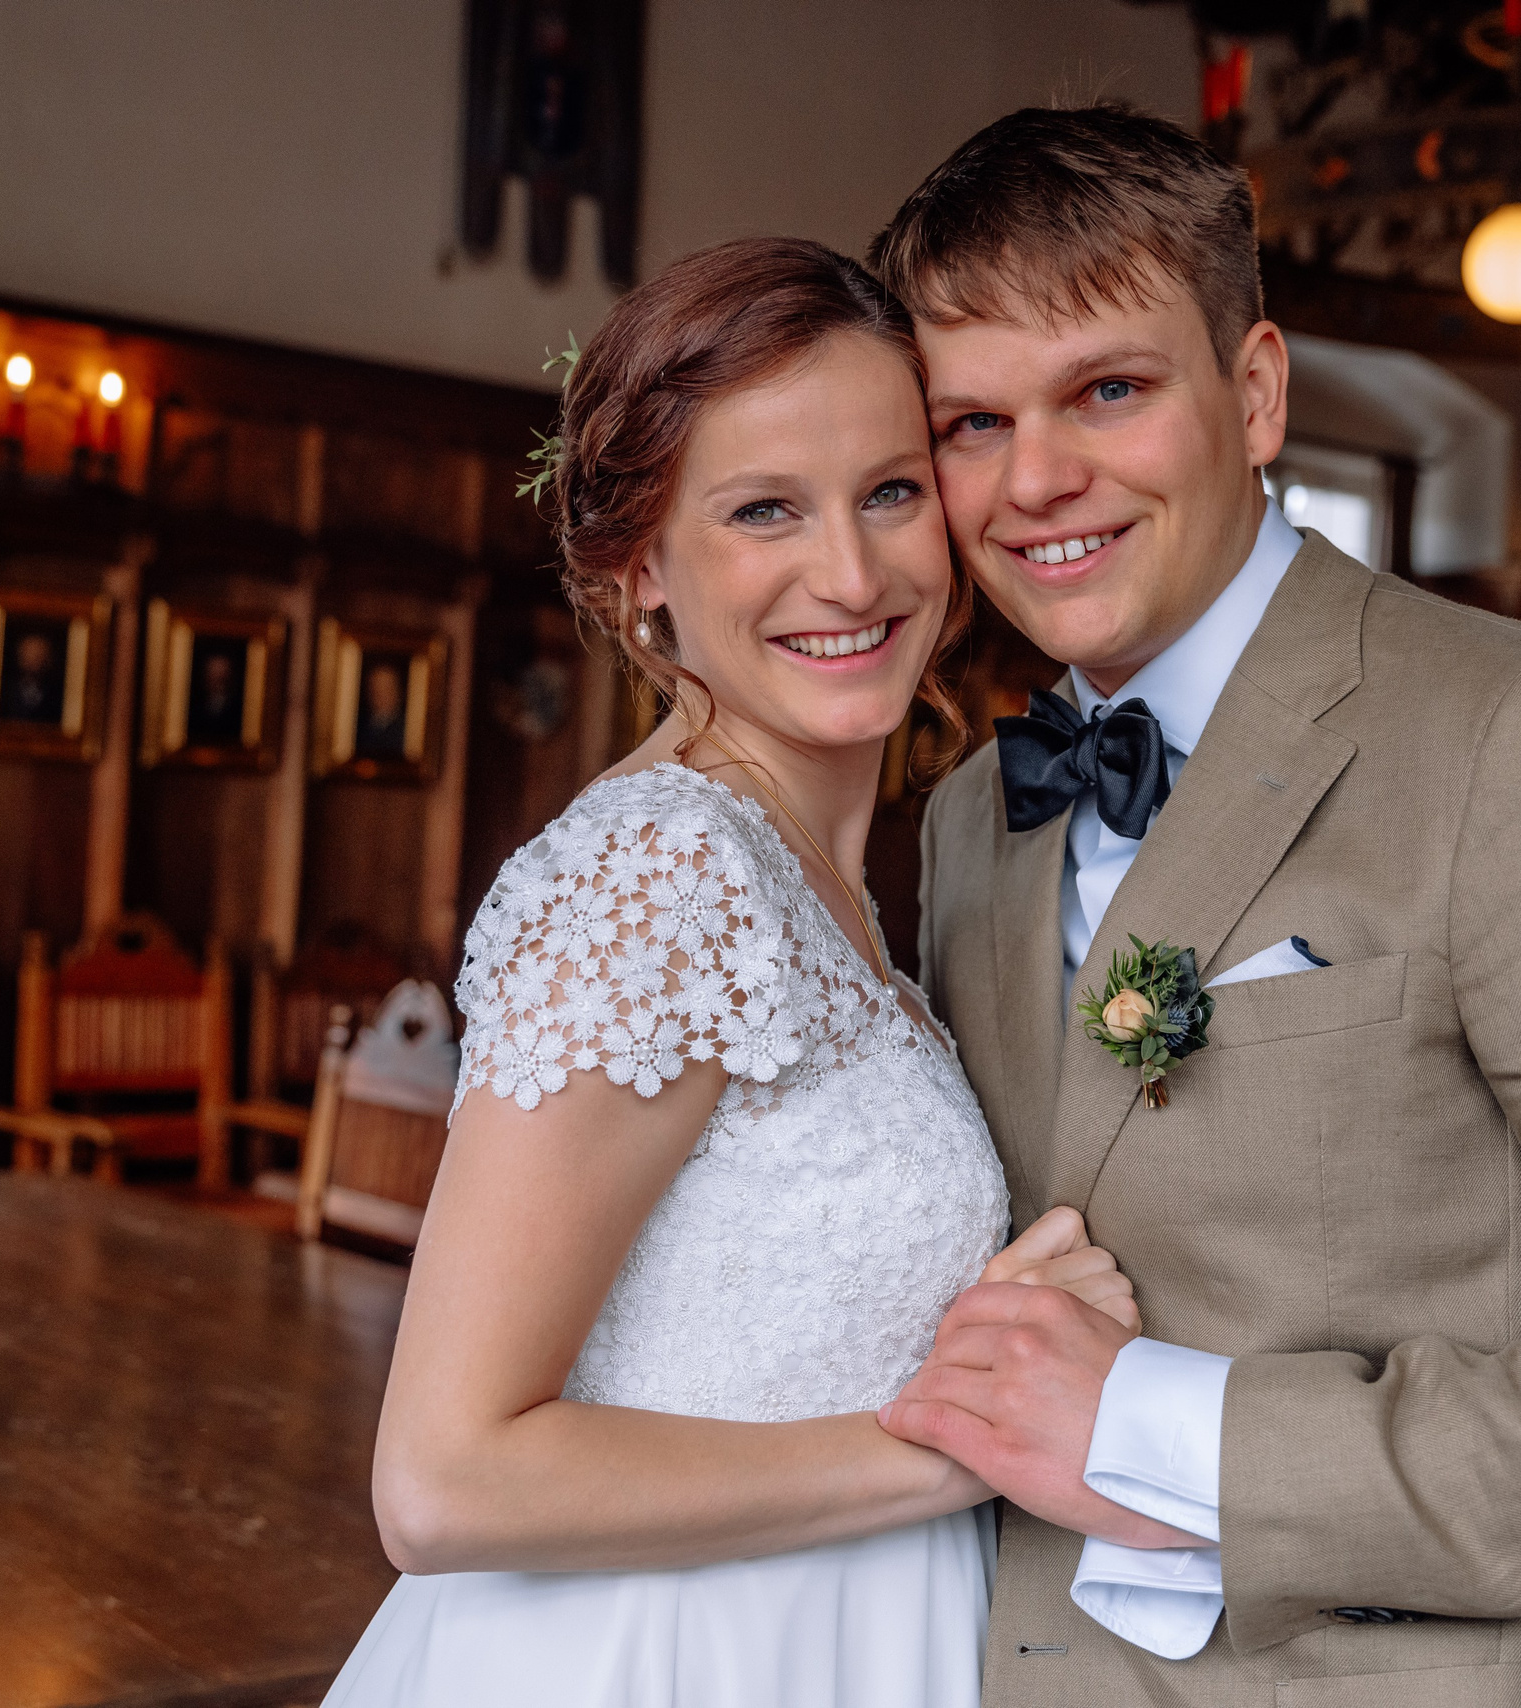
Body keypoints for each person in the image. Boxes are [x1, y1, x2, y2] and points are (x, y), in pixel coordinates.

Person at [874, 105, 1521, 1705]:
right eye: (970, 425)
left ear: (1256, 389)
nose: (1037, 479)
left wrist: (1163, 1434)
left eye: (1111, 390)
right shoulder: (967, 818)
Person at [320, 236, 1141, 1708]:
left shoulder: (842, 872)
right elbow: (443, 1481)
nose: (851, 570)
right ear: (642, 568)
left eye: (892, 491)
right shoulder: (662, 880)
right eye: (765, 510)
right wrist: (957, 1441)